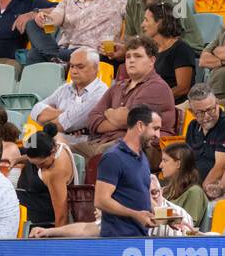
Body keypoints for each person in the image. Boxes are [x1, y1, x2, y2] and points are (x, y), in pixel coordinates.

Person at [25, 0, 125, 64]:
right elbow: (55, 19)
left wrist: (124, 44)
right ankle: (55, 57)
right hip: (66, 51)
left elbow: (138, 10)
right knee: (32, 23)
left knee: (35, 54)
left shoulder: (116, 0)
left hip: (94, 54)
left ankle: (53, 58)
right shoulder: (67, 3)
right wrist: (44, 18)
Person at [87, 35, 175, 150]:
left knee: (106, 152)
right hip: (106, 141)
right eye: (128, 57)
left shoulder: (156, 86)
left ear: (152, 61)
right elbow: (92, 118)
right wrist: (119, 121)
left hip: (143, 148)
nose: (131, 60)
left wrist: (109, 114)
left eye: (138, 56)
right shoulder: (118, 86)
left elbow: (133, 121)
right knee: (67, 150)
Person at [28, 48, 109, 158]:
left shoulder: (101, 92)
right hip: (58, 140)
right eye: (72, 66)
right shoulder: (65, 88)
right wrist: (64, 113)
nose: (74, 71)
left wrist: (50, 120)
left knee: (37, 153)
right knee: (26, 149)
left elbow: (61, 125)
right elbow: (36, 110)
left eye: (80, 67)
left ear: (95, 68)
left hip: (84, 145)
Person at [93, 104, 156, 237]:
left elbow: (142, 196)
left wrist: (166, 217)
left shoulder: (143, 157)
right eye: (154, 129)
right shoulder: (113, 157)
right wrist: (135, 215)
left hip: (139, 238)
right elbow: (101, 200)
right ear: (140, 126)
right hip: (117, 240)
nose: (158, 135)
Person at [17, 123, 78, 231]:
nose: (37, 167)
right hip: (31, 201)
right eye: (34, 163)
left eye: (41, 164)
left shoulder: (56, 173)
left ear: (52, 152)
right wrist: (17, 160)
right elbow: (36, 154)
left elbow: (61, 216)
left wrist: (55, 243)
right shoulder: (53, 142)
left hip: (41, 217)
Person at [183, 84, 225, 189]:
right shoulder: (192, 127)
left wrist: (200, 193)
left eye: (210, 110)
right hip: (192, 187)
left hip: (213, 188)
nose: (207, 117)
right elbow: (187, 163)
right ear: (192, 112)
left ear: (217, 104)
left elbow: (222, 166)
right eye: (200, 113)